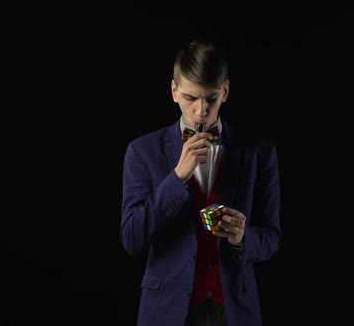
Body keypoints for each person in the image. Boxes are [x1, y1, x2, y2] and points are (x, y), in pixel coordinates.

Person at [120, 38, 282, 326]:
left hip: (235, 310)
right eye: (190, 98)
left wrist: (241, 238)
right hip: (166, 310)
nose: (200, 111)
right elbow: (132, 239)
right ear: (173, 91)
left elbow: (271, 239)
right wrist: (177, 177)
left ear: (226, 91)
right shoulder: (141, 152)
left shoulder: (260, 152)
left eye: (211, 98)